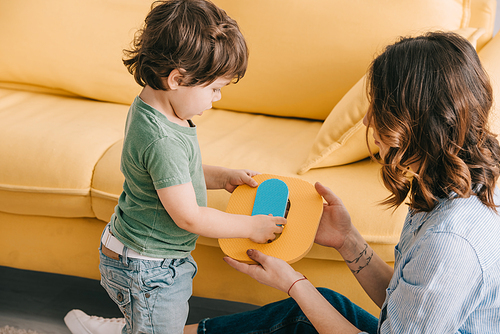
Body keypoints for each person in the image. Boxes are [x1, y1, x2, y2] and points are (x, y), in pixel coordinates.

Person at [182, 31, 500, 333]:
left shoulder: (449, 242)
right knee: (319, 306)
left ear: (410, 119)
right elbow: (403, 307)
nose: (365, 119)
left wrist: (294, 284)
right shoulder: (451, 182)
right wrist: (347, 239)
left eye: (376, 106)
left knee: (306, 305)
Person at [64, 1, 285, 333]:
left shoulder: (155, 108)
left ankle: (130, 325)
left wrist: (222, 176)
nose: (217, 98)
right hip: (147, 268)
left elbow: (176, 175)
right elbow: (189, 216)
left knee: (147, 322)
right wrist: (250, 227)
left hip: (140, 255)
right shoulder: (161, 139)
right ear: (177, 79)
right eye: (214, 88)